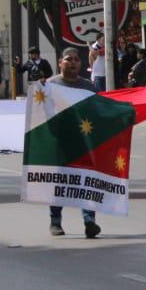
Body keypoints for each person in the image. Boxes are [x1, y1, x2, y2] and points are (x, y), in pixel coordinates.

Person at [46, 47, 102, 238]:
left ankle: (89, 222)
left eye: (77, 60)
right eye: (69, 59)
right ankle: (55, 222)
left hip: (83, 143)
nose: (73, 63)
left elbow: (100, 111)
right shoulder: (49, 86)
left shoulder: (89, 87)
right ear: (60, 62)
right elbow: (39, 114)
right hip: (58, 143)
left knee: (86, 182)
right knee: (59, 183)